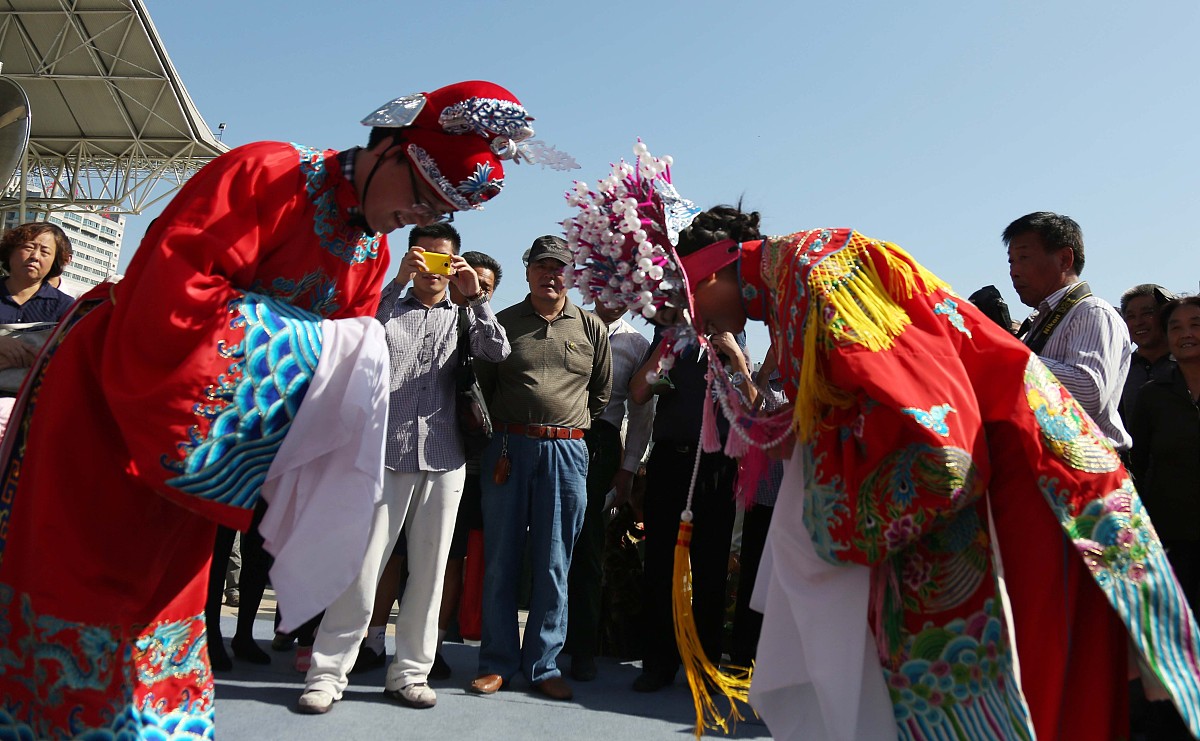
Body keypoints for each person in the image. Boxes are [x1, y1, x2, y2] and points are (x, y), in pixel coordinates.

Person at [564, 142, 1200, 740]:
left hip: (1012, 482)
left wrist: (832, 518)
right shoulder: (791, 286)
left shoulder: (817, 271)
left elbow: (931, 433)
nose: (693, 322)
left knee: (1033, 690)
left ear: (708, 274)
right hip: (996, 472)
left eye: (684, 301)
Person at [0, 80, 538, 739]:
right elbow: (171, 296)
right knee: (74, 571)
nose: (416, 216)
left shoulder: (367, 255)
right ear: (391, 148)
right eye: (421, 195)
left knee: (162, 588)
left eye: (439, 208)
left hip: (205, 445)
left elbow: (333, 374)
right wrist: (329, 349)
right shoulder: (268, 171)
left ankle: (140, 722)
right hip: (108, 401)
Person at [298, 223, 509, 714]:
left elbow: (499, 351)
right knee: (362, 569)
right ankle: (328, 673)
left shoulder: (464, 315)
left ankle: (410, 672)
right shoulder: (388, 305)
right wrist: (396, 282)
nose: (434, 269)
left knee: (431, 573)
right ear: (412, 259)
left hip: (444, 457)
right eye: (425, 258)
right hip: (383, 455)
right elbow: (359, 334)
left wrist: (475, 297)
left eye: (444, 260)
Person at [469, 235, 612, 702]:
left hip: (567, 454)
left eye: (560, 268)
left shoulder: (591, 328)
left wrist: (561, 425)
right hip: (509, 450)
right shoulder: (504, 323)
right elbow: (484, 389)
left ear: (570, 275)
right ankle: (496, 663)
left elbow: (602, 394)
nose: (551, 275)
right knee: (502, 560)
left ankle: (543, 664)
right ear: (527, 270)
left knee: (555, 563)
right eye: (542, 266)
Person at [626, 327, 751, 692]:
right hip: (669, 463)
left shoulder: (734, 337)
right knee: (661, 565)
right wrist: (665, 346)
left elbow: (751, 407)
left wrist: (736, 357)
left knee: (711, 569)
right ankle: (657, 664)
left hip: (717, 468)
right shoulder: (670, 335)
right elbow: (638, 392)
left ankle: (704, 665)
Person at [564, 302, 653, 681]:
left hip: (601, 447)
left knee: (587, 546)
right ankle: (542, 642)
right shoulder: (567, 324)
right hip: (558, 436)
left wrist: (628, 470)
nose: (614, 294)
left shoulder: (637, 345)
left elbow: (642, 413)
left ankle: (581, 647)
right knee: (550, 545)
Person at [1130, 295, 1200, 740]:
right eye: (1176, 327)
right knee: (1181, 642)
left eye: (1196, 323)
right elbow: (1139, 465)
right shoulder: (1154, 396)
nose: (1186, 333)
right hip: (1176, 539)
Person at [433, 249, 504, 678]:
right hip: (414, 454)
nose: (473, 289)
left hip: (470, 463)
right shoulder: (417, 313)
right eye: (469, 280)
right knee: (400, 556)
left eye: (485, 288)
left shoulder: (491, 329)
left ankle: (436, 643)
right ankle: (372, 641)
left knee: (453, 557)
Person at [1006, 211, 1131, 449]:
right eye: (1011, 261)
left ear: (1064, 259)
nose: (1014, 270)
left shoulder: (1093, 312)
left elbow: (1089, 392)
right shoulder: (1038, 322)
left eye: (1023, 257)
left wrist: (1009, 355)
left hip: (1088, 470)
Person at [0, 222, 75, 375]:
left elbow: (72, 358)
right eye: (28, 247)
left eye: (45, 252)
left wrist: (28, 358)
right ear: (10, 251)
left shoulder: (65, 307)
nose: (35, 256)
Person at [1120, 283, 1177, 423]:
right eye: (1131, 316)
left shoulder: (1188, 364)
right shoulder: (1119, 371)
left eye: (1147, 313)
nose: (1138, 322)